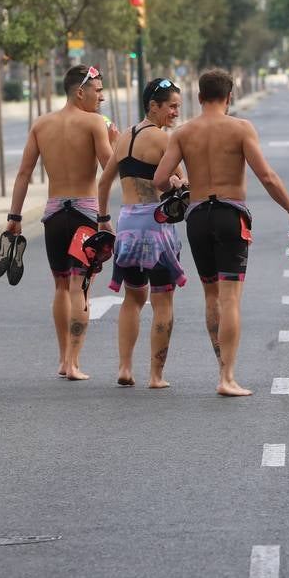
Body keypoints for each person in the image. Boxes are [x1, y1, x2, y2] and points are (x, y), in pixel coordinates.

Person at [153, 69, 289, 397]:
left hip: (197, 219)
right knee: (230, 298)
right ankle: (228, 376)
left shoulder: (183, 133)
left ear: (198, 97)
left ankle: (221, 366)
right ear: (230, 97)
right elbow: (266, 175)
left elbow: (160, 179)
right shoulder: (240, 129)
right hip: (229, 215)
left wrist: (180, 184)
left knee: (211, 296)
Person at [5, 65, 112, 381]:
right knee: (81, 286)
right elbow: (109, 168)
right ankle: (73, 362)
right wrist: (117, 143)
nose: (102, 97)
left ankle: (63, 358)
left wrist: (14, 217)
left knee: (61, 285)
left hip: (53, 215)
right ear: (80, 91)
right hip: (85, 214)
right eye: (98, 90)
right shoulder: (94, 123)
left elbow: (24, 174)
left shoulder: (41, 125)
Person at [97, 78, 187, 389]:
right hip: (156, 223)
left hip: (127, 224)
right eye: (172, 106)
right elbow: (180, 181)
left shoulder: (122, 138)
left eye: (178, 106)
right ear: (153, 105)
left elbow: (103, 182)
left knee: (133, 298)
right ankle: (156, 375)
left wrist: (103, 218)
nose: (176, 112)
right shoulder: (164, 140)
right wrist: (179, 183)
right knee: (163, 300)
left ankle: (124, 368)